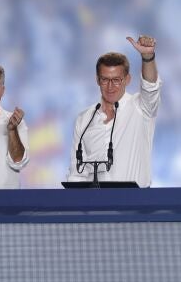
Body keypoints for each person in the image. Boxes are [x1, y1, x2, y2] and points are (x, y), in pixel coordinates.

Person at [66, 35, 162, 188]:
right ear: (98, 80)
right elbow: (76, 174)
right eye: (105, 79)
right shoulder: (84, 119)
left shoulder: (141, 108)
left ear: (127, 79)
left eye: (116, 80)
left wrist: (147, 57)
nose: (110, 86)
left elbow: (150, 87)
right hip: (96, 206)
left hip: (136, 205)